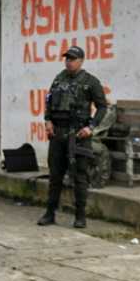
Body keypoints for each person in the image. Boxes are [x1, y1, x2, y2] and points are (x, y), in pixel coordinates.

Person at [39, 45, 107, 228]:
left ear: (81, 61)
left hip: (78, 134)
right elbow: (49, 101)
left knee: (80, 176)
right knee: (55, 175)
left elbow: (102, 107)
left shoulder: (90, 81)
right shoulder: (59, 78)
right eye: (67, 58)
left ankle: (80, 216)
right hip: (58, 133)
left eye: (72, 59)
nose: (68, 62)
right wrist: (47, 120)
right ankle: (50, 213)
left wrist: (91, 127)